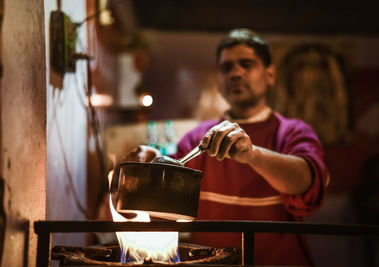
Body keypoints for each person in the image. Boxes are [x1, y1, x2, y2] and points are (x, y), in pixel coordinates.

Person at [127, 29, 329, 266]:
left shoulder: (293, 132)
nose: (235, 73)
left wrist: (252, 155)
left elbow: (307, 184)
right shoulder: (196, 139)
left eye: (246, 64)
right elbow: (163, 202)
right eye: (226, 67)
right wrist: (147, 168)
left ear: (270, 75)